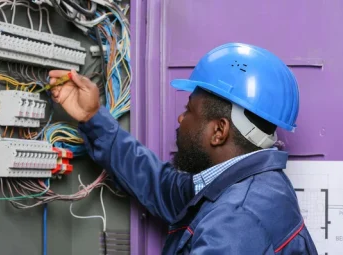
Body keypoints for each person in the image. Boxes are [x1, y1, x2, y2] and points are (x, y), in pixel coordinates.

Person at [49, 43, 318, 254]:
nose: (180, 119)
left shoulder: (236, 222)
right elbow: (160, 185)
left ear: (219, 131)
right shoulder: (252, 186)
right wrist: (93, 116)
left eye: (189, 110)